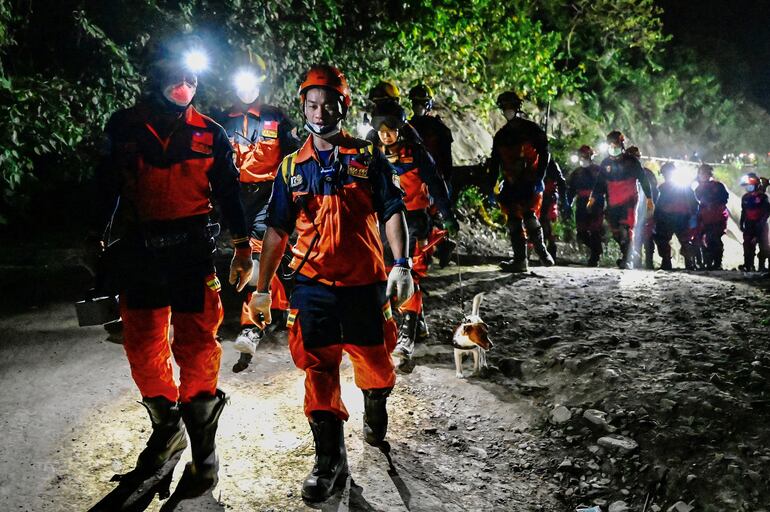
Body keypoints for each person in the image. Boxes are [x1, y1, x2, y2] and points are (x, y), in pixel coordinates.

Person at [89, 35, 253, 498]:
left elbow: (228, 193)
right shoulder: (123, 128)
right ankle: (167, 430)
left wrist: (243, 248)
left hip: (190, 252)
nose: (184, 84)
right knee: (142, 346)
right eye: (175, 76)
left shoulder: (211, 133)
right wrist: (94, 235)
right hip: (140, 253)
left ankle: (204, 453)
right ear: (155, 77)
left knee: (199, 347)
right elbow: (106, 186)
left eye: (191, 77)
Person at [247, 65, 413, 502]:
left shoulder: (368, 157)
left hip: (365, 283)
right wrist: (263, 289)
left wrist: (402, 264)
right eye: (312, 105)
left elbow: (393, 208)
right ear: (303, 107)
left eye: (328, 104)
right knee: (318, 369)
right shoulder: (290, 168)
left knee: (375, 362)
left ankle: (376, 400)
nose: (319, 113)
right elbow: (277, 231)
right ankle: (329, 461)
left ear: (344, 105)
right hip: (312, 286)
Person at [219, 51, 299, 369]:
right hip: (238, 196)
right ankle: (278, 311)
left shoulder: (276, 117)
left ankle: (252, 328)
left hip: (271, 192)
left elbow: (295, 157)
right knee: (272, 259)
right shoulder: (222, 119)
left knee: (256, 250)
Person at [371, 100, 458, 373]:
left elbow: (436, 183)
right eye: (381, 129)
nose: (386, 134)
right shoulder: (371, 150)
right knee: (386, 273)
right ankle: (414, 321)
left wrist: (447, 215)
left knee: (408, 273)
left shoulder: (417, 152)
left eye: (391, 129)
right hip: (384, 219)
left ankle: (406, 334)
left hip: (415, 219)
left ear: (400, 128)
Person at [491, 91, 554, 272]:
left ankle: (541, 250)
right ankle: (520, 260)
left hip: (529, 179)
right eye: (504, 107)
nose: (507, 110)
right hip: (511, 182)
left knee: (529, 214)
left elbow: (544, 153)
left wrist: (539, 177)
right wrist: (491, 185)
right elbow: (496, 162)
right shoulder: (501, 135)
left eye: (509, 106)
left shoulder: (531, 130)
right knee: (513, 220)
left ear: (517, 107)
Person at [408, 82, 458, 269]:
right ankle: (440, 248)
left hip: (433, 179)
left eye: (422, 102)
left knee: (428, 219)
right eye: (415, 102)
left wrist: (444, 182)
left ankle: (433, 253)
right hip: (413, 179)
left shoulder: (439, 129)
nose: (418, 106)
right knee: (420, 220)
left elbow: (446, 159)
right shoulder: (406, 127)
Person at [589, 131, 654, 269]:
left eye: (616, 144)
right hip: (613, 201)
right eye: (610, 144)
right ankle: (630, 253)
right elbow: (599, 183)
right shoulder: (606, 163)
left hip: (629, 200)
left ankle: (627, 259)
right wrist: (593, 198)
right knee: (616, 232)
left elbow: (643, 180)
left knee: (625, 228)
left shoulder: (632, 162)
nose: (613, 146)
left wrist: (649, 198)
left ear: (622, 144)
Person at [653, 162, 699, 270]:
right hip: (669, 218)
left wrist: (693, 216)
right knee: (664, 240)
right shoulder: (665, 187)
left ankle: (688, 262)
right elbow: (658, 204)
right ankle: (669, 262)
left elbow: (693, 202)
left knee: (684, 240)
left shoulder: (681, 186)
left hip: (680, 217)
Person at [567, 145, 604, 266]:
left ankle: (595, 257)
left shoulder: (598, 171)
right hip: (581, 203)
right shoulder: (577, 173)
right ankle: (596, 249)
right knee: (581, 232)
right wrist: (567, 204)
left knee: (594, 230)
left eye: (585, 155)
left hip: (596, 203)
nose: (583, 158)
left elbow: (605, 187)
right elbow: (571, 190)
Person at [626, 146, 659, 269]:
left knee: (647, 236)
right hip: (630, 207)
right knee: (633, 236)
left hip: (645, 207)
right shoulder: (622, 172)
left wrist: (652, 206)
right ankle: (636, 261)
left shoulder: (647, 173)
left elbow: (655, 191)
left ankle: (649, 262)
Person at [694, 164, 729, 270]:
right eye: (701, 173)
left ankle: (717, 262)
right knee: (700, 239)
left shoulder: (718, 186)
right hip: (704, 217)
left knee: (714, 238)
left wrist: (713, 204)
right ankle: (707, 262)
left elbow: (724, 199)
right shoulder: (698, 187)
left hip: (717, 217)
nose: (703, 175)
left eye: (704, 173)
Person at [739, 172, 770, 272]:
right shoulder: (745, 198)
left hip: (761, 225)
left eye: (750, 185)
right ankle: (748, 265)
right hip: (749, 225)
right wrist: (741, 222)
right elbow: (744, 211)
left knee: (764, 246)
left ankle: (762, 266)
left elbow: (766, 212)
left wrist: (760, 224)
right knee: (748, 245)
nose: (748, 187)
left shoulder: (763, 198)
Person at [541, 158, 569, 260]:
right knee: (538, 223)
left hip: (549, 198)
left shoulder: (550, 164)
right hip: (537, 196)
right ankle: (540, 252)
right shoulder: (529, 160)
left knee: (548, 224)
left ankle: (551, 251)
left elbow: (561, 182)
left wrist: (564, 199)